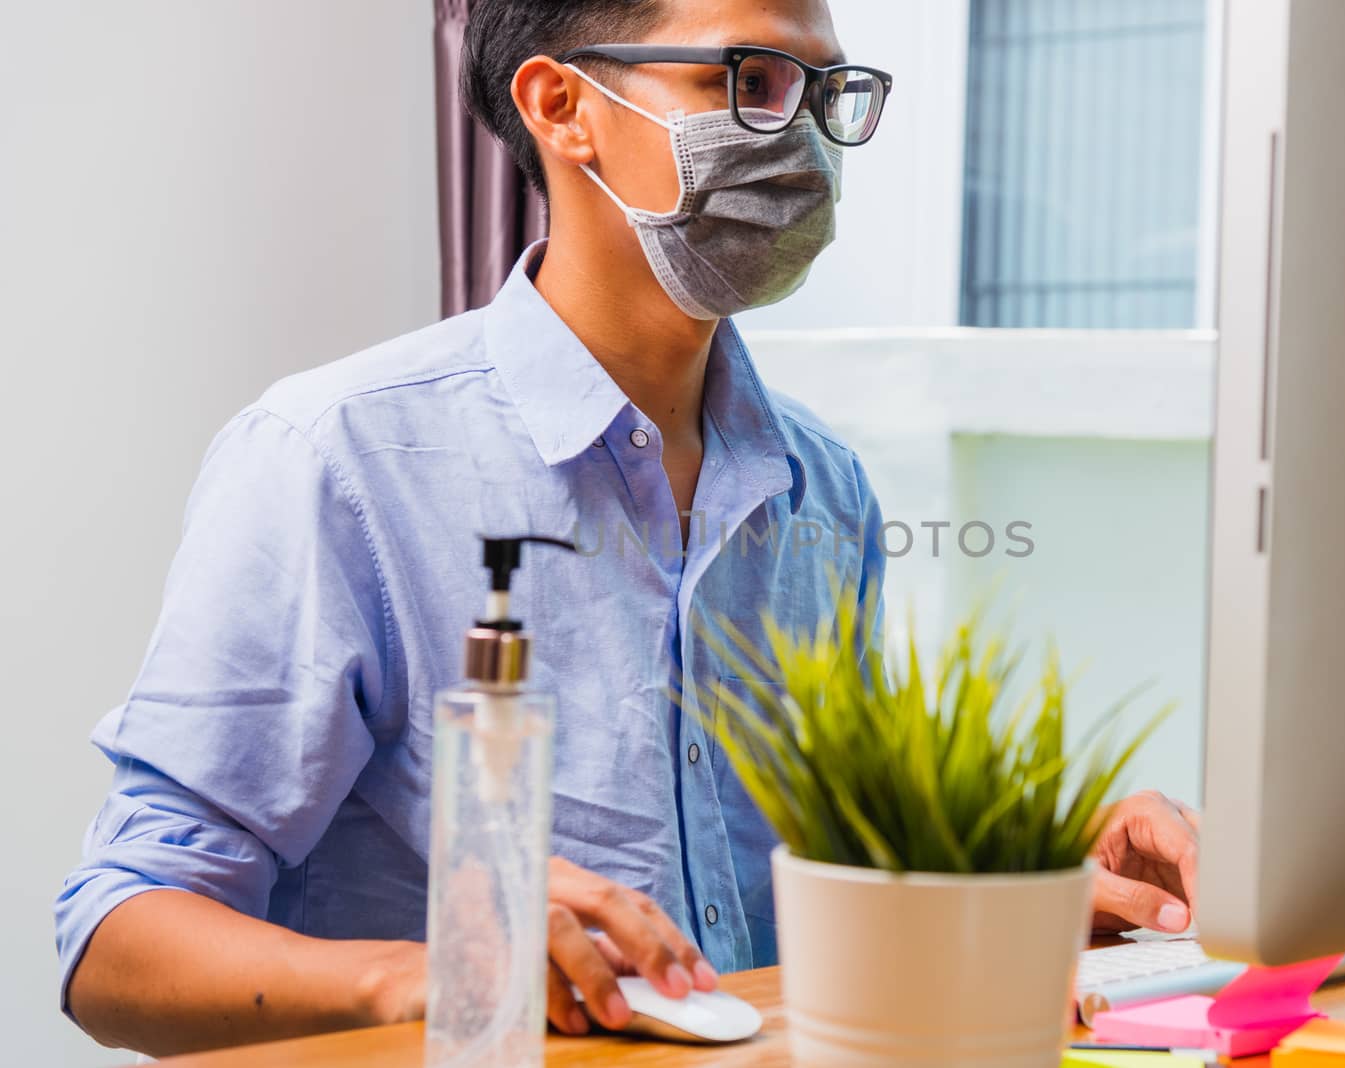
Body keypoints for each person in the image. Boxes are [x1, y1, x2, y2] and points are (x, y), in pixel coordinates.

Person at [54, 0, 1202, 1058]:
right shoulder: (336, 457)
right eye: (749, 79)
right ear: (562, 108)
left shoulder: (824, 487)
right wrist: (431, 976)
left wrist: (1019, 881)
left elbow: (815, 894)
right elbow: (115, 944)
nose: (796, 139)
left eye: (821, 92)